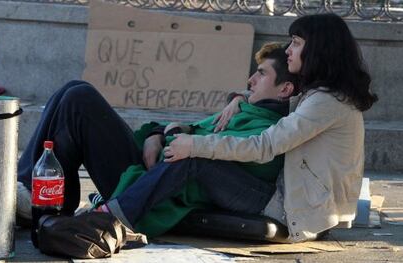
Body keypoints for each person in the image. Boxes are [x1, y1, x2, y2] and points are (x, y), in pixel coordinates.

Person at [17, 43, 298, 239]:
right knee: (74, 88)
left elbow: (196, 150)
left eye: (261, 74)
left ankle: (41, 197)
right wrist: (156, 134)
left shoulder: (266, 129)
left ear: (285, 89)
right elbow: (182, 131)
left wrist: (168, 134)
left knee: (79, 100)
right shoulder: (242, 108)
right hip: (146, 167)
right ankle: (29, 189)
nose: (250, 79)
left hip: (149, 190)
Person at [164, 13, 378, 243]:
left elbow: (263, 145)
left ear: (318, 49)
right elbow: (277, 100)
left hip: (298, 214)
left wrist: (194, 145)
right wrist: (240, 99)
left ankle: (123, 221)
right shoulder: (322, 95)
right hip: (307, 207)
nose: (288, 50)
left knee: (193, 161)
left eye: (296, 43)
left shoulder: (324, 102)